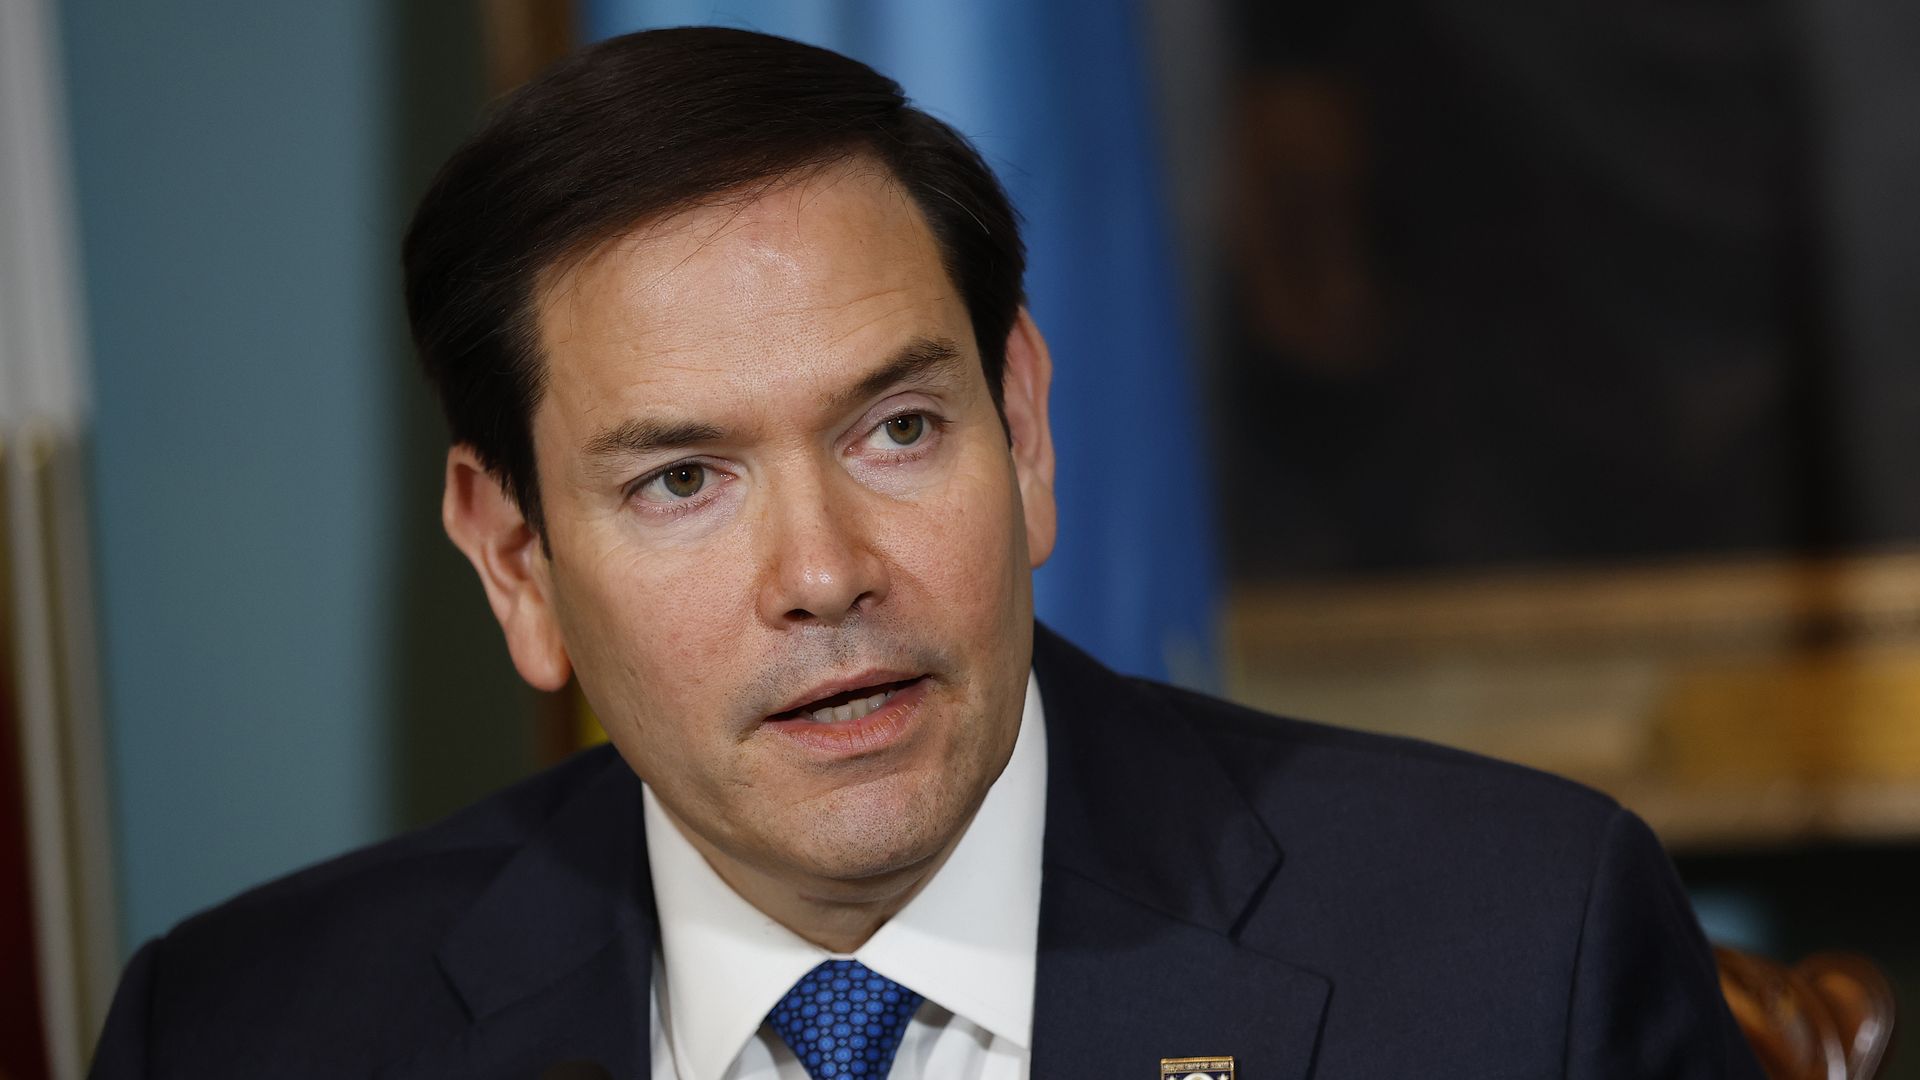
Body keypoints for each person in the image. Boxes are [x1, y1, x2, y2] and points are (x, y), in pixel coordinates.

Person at [89, 26, 1761, 1080]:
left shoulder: (1507, 955)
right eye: (682, 479)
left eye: (896, 431)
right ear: (516, 560)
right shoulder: (251, 1031)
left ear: (1022, 432)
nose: (824, 573)